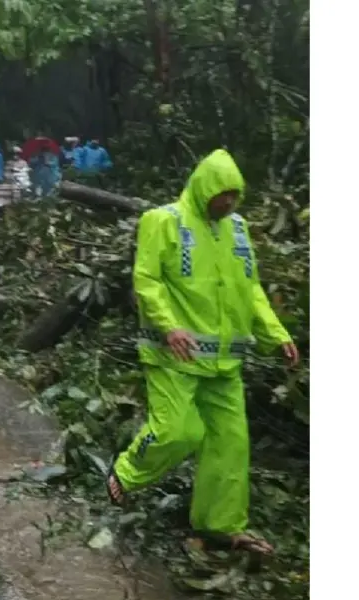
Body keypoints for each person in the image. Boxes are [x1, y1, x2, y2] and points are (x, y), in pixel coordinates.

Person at [107, 149, 299, 557]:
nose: (228, 203)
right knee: (180, 432)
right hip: (173, 356)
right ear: (204, 188)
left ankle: (221, 525)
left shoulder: (239, 230)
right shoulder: (164, 221)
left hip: (225, 363)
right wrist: (168, 325)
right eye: (222, 194)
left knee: (231, 445)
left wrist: (276, 334)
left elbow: (251, 290)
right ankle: (124, 474)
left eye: (235, 195)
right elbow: (147, 278)